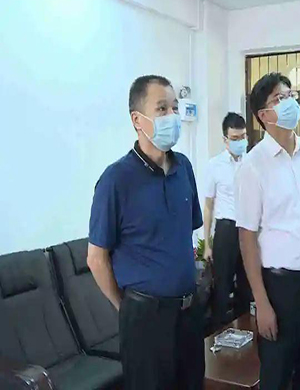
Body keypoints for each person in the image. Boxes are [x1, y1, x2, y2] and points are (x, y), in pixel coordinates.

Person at [88, 75, 205, 389]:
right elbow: (96, 259)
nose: (172, 116)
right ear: (137, 120)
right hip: (145, 319)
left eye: (175, 108)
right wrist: (127, 307)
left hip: (188, 314)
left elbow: (185, 234)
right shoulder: (116, 180)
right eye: (162, 109)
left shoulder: (184, 168)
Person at [236, 72, 300, 389]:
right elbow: (247, 237)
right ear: (263, 115)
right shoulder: (253, 165)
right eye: (279, 98)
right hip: (281, 290)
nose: (290, 102)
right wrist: (262, 302)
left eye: (290, 95)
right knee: (278, 374)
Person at [203, 112, 252, 326]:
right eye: (234, 138)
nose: (240, 142)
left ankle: (245, 332)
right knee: (222, 287)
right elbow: (208, 206)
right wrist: (207, 244)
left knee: (247, 285)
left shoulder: (252, 162)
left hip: (248, 229)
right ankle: (218, 333)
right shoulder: (214, 165)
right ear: (225, 140)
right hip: (226, 229)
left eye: (243, 137)